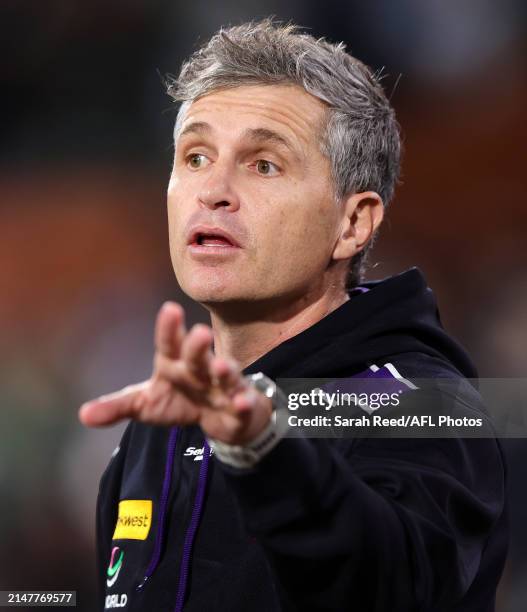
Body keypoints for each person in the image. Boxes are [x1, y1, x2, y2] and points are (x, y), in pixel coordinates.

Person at [79, 19, 508, 612]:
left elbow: (392, 590)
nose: (214, 191)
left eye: (264, 165)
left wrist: (265, 452)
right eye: (196, 156)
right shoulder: (157, 430)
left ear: (352, 223)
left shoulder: (424, 405)